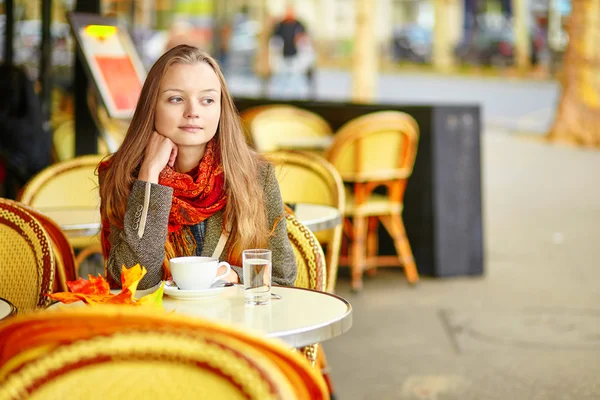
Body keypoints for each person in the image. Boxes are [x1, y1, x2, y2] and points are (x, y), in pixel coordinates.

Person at [98, 45, 297, 290]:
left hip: (231, 322)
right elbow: (132, 283)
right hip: (158, 324)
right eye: (176, 99)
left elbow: (281, 278)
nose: (193, 112)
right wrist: (149, 177)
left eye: (207, 100)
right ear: (152, 106)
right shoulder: (121, 175)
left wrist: (229, 274)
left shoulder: (255, 176)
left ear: (220, 108)